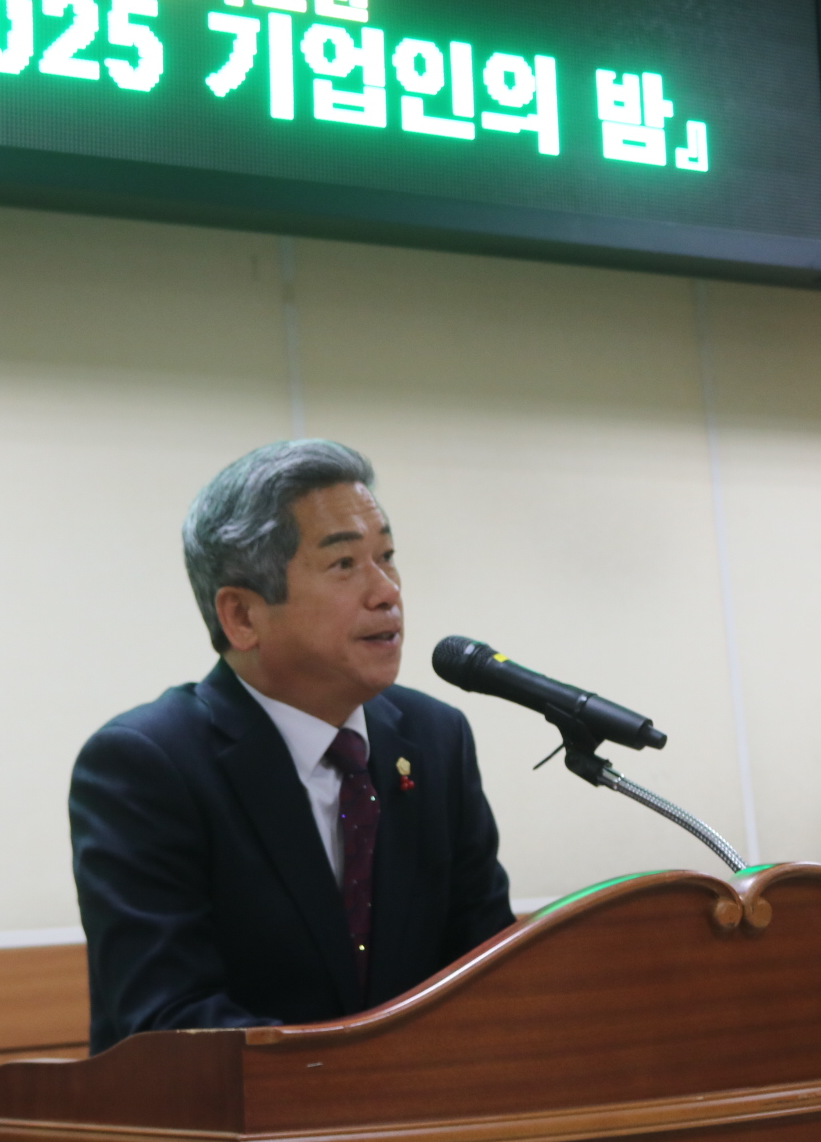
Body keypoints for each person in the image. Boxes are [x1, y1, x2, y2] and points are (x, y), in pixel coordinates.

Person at [69, 439, 514, 1054]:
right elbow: (169, 1022)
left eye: (387, 556)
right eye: (344, 564)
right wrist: (362, 1082)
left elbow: (489, 972)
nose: (387, 591)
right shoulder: (147, 765)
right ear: (242, 616)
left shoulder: (435, 739)